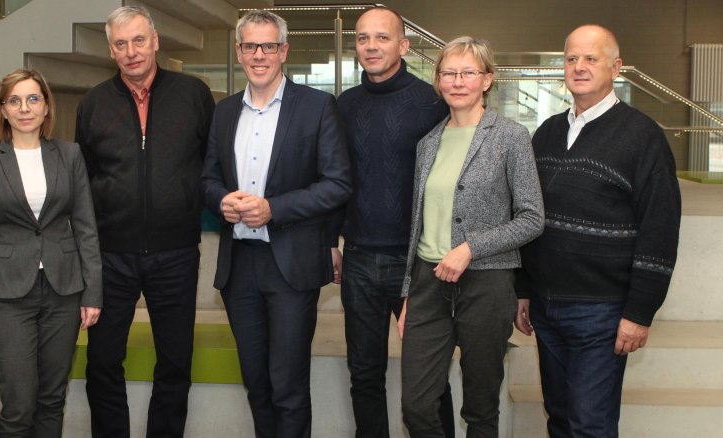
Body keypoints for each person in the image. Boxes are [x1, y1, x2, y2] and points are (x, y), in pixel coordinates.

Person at [515, 25, 681, 438]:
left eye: (591, 58)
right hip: (546, 307)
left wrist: (639, 313)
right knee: (560, 418)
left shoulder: (643, 137)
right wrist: (522, 289)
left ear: (616, 67)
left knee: (591, 425)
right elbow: (528, 215)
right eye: (571, 59)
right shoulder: (548, 132)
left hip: (602, 311)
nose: (579, 67)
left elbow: (659, 229)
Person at [201, 10, 352, 438]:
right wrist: (221, 200)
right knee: (257, 384)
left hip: (290, 266)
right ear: (239, 52)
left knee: (287, 387)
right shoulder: (225, 111)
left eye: (269, 46)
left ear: (283, 51)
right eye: (251, 46)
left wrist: (274, 209)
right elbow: (207, 177)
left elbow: (338, 184)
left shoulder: (317, 107)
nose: (259, 55)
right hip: (239, 268)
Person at [75, 5, 215, 437]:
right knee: (101, 363)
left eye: (139, 40)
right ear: (111, 50)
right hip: (110, 257)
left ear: (155, 41)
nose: (132, 51)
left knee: (175, 362)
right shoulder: (93, 102)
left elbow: (211, 164)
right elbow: (84, 177)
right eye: (121, 44)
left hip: (175, 254)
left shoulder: (194, 93)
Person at [396, 37, 544, 437]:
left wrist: (470, 248)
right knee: (416, 405)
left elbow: (532, 218)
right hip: (429, 283)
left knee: (480, 408)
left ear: (487, 80)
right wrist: (410, 292)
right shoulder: (428, 143)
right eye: (448, 72)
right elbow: (419, 224)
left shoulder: (510, 136)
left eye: (468, 73)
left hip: (487, 283)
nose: (457, 81)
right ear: (438, 81)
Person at [331, 7, 453, 438]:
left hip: (417, 263)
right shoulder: (343, 105)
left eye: (382, 38)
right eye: (363, 38)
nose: (371, 46)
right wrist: (333, 240)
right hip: (360, 258)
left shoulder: (433, 103)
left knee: (428, 379)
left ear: (403, 45)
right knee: (364, 373)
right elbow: (334, 179)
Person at [0, 68, 102, 437]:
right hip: (6, 296)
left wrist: (92, 292)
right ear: (4, 110)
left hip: (63, 292)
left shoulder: (69, 155)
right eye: (14, 100)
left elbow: (86, 227)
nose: (25, 108)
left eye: (33, 99)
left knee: (52, 400)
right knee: (19, 405)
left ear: (45, 107)